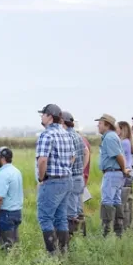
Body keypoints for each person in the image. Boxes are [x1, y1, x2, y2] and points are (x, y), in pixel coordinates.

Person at [36, 104, 74, 255]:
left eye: (43, 114)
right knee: (61, 218)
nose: (41, 117)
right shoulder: (66, 133)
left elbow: (42, 160)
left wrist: (41, 177)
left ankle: (52, 254)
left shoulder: (47, 135)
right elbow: (73, 157)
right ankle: (63, 253)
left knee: (45, 217)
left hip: (52, 181)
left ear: (50, 116)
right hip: (66, 179)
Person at [95, 113, 131, 237]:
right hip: (115, 173)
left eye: (100, 123)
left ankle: (105, 232)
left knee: (107, 201)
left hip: (111, 173)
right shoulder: (112, 136)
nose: (97, 125)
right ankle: (118, 231)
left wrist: (124, 168)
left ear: (107, 125)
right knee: (116, 200)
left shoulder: (109, 138)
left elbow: (118, 156)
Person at [0, 147, 23, 250]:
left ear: (2, 158)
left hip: (5, 214)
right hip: (16, 212)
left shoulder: (3, 174)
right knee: (14, 245)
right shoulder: (16, 171)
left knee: (7, 247)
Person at [61, 111, 89, 237]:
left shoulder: (67, 136)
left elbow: (70, 158)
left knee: (70, 212)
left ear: (62, 122)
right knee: (78, 208)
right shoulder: (77, 136)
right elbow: (86, 152)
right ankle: (82, 236)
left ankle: (71, 239)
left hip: (71, 177)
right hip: (79, 177)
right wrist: (81, 168)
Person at [116, 121, 133, 229]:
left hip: (125, 174)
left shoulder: (123, 142)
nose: (116, 130)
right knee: (128, 201)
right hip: (130, 173)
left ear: (122, 129)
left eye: (117, 128)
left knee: (123, 203)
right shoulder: (128, 141)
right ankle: (129, 225)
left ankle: (124, 226)